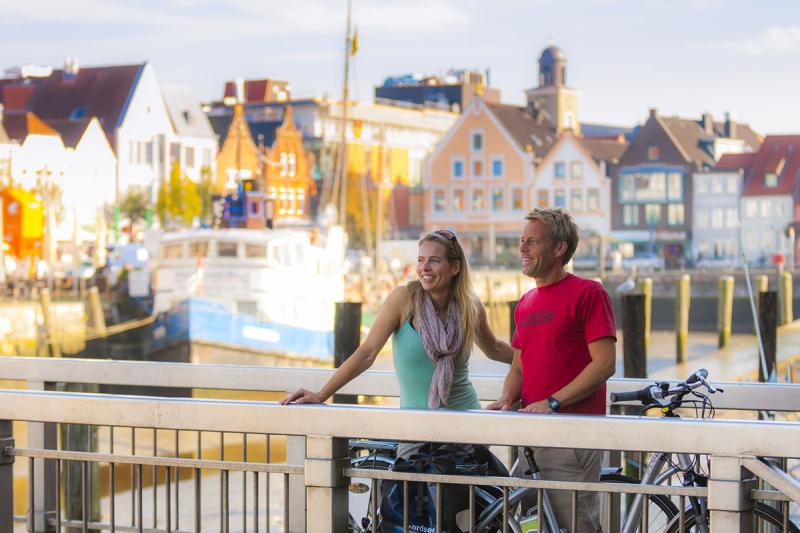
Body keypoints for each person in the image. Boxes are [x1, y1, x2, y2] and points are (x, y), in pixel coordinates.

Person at [282, 229, 514, 452]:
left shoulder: (469, 306)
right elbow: (367, 353)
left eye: (434, 260)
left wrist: (539, 361)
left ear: (455, 267)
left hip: (467, 425)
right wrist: (321, 394)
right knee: (410, 492)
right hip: (415, 430)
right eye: (421, 260)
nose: (425, 267)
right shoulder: (403, 300)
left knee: (467, 494)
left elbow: (494, 349)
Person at [487, 208, 616, 533]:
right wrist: (506, 398)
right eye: (522, 241)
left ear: (559, 248)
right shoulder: (527, 302)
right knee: (525, 526)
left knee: (574, 526)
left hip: (570, 438)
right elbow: (519, 366)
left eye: (532, 241)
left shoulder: (588, 293)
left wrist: (553, 402)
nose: (522, 248)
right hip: (531, 438)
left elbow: (604, 363)